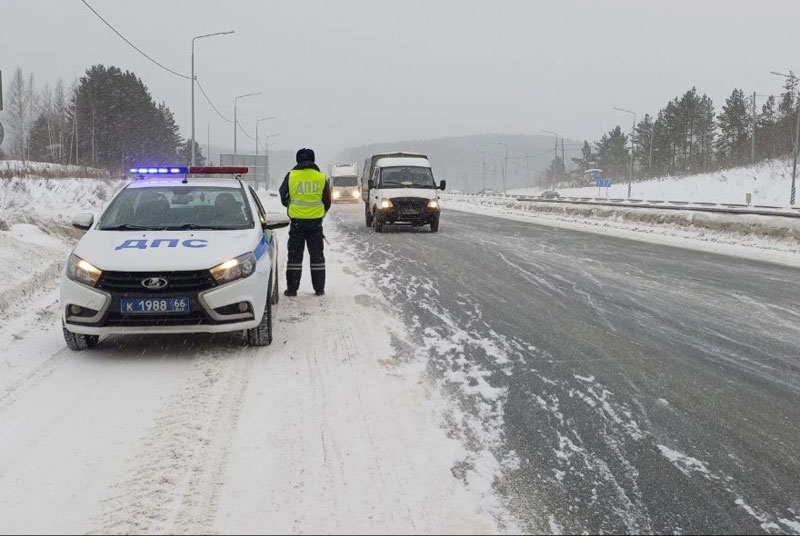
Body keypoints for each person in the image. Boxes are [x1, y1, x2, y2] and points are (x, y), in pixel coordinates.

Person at [279, 148, 331, 297]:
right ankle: (319, 289)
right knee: (317, 257)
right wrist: (319, 214)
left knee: (294, 257)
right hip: (315, 224)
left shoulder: (291, 176)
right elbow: (327, 201)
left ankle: (292, 289)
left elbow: (283, 196)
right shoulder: (321, 177)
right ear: (313, 160)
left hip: (297, 224)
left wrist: (291, 205)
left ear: (297, 160)